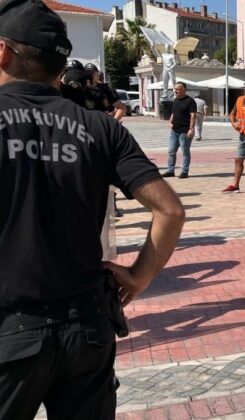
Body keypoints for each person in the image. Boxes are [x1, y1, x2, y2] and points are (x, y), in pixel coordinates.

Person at [0, 1, 185, 418]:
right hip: (86, 327)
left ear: (3, 52)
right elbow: (170, 211)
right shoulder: (100, 127)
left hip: (10, 332)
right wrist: (139, 276)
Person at [162, 82, 196, 178]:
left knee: (185, 152)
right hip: (174, 131)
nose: (175, 91)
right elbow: (174, 112)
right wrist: (170, 121)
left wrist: (191, 129)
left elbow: (193, 115)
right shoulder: (176, 100)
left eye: (177, 89)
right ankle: (170, 171)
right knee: (171, 151)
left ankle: (184, 172)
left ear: (183, 90)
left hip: (184, 131)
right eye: (174, 89)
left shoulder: (190, 101)